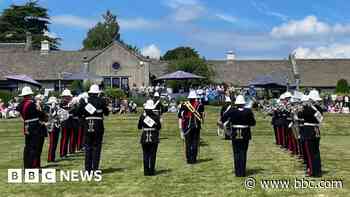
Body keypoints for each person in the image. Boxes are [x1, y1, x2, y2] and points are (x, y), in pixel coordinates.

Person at [221, 95, 256, 177]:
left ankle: (238, 172)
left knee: (236, 152)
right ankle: (242, 171)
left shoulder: (232, 110)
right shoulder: (248, 111)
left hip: (235, 132)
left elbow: (223, 118)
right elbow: (253, 123)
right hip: (245, 133)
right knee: (243, 152)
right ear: (243, 103)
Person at [77, 84, 109, 172]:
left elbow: (78, 112)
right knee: (97, 147)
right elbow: (106, 113)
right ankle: (95, 168)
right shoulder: (101, 101)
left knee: (88, 147)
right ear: (97, 93)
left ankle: (88, 169)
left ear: (90, 93)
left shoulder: (85, 101)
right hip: (98, 125)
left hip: (87, 124)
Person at [16, 87, 44, 168]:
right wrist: (39, 107)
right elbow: (40, 114)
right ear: (30, 95)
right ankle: (32, 166)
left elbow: (18, 109)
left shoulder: (21, 104)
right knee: (34, 147)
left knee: (27, 147)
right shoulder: (31, 104)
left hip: (26, 125)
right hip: (34, 126)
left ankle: (27, 165)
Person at [299, 90, 323, 177]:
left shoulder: (308, 109)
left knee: (309, 152)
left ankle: (311, 170)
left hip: (308, 131)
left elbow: (299, 115)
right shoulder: (319, 108)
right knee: (316, 152)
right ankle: (318, 170)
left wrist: (302, 107)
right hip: (316, 130)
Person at [178, 91, 205, 164]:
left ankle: (189, 159)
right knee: (195, 143)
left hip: (187, 127)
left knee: (188, 143)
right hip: (196, 127)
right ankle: (193, 158)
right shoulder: (200, 105)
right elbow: (202, 116)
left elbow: (180, 115)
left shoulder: (184, 104)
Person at [138, 99, 161, 176]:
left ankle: (146, 171)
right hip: (154, 137)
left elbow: (139, 127)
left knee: (145, 155)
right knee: (153, 155)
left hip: (144, 137)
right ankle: (151, 171)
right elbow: (159, 127)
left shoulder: (142, 116)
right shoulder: (156, 116)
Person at [59, 89, 74, 158]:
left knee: (66, 137)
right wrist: (71, 107)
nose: (69, 98)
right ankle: (62, 153)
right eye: (68, 96)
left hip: (69, 122)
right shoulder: (62, 103)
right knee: (64, 138)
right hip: (65, 122)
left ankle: (64, 152)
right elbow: (66, 110)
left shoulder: (68, 103)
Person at [46, 96, 61, 162]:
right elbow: (49, 118)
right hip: (51, 127)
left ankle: (53, 157)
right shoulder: (48, 109)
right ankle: (50, 158)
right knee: (52, 143)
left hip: (56, 126)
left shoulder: (57, 109)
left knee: (55, 143)